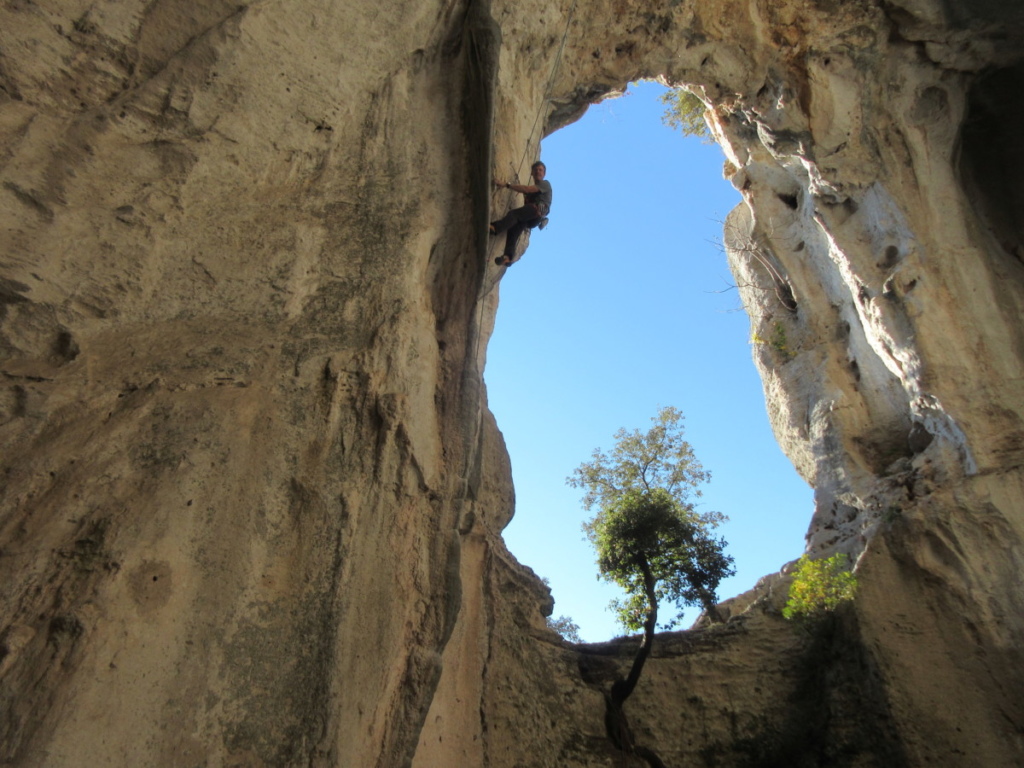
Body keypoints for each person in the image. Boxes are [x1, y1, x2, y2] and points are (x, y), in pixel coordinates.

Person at [490, 161, 552, 267]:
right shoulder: (532, 194)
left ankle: (495, 228)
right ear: (531, 173)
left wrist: (506, 185)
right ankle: (508, 257)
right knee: (514, 230)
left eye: (540, 170)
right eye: (536, 170)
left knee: (514, 214)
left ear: (544, 174)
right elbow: (526, 192)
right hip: (533, 219)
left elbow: (527, 189)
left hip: (537, 209)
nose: (538, 171)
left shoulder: (545, 184)